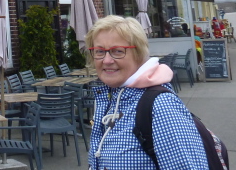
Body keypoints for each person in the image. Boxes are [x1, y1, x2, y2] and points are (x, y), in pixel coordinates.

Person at [86, 15, 208, 169]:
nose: (107, 60)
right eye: (99, 51)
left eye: (118, 51)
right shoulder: (109, 98)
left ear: (138, 54)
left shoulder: (161, 106)